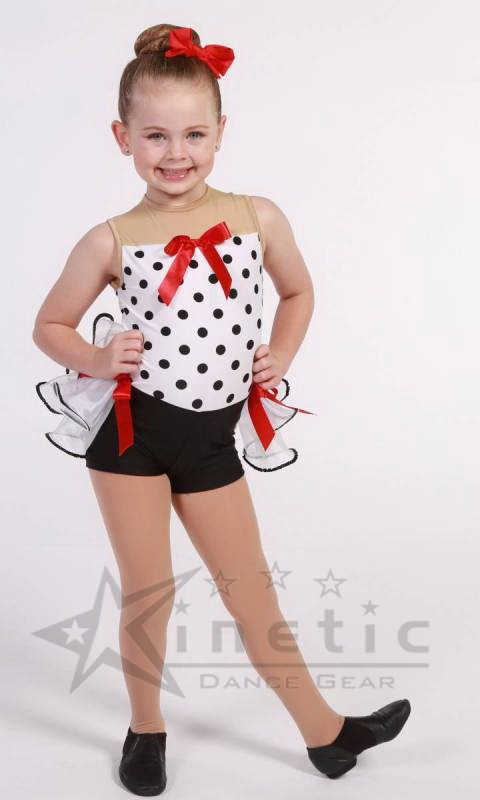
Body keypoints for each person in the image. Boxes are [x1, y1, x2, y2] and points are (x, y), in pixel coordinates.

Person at [32, 23, 411, 795]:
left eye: (194, 134)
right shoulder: (111, 239)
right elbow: (50, 326)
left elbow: (298, 291)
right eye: (155, 136)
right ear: (123, 138)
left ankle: (326, 735)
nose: (176, 153)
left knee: (250, 592)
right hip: (132, 437)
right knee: (150, 593)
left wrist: (283, 354)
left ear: (221, 132)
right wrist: (99, 359)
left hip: (209, 441)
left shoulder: (257, 217)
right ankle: (146, 730)